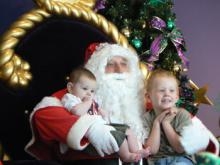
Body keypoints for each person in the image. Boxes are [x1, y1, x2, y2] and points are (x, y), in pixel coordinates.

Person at [25, 42, 219, 165]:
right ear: (97, 70)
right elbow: (44, 114)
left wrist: (193, 132)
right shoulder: (81, 93)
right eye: (110, 63)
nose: (118, 69)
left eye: (124, 63)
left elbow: (171, 112)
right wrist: (90, 128)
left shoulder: (141, 101)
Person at [61, 67, 150, 162]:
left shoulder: (90, 100)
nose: (89, 93)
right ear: (70, 88)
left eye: (92, 91)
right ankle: (126, 156)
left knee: (128, 130)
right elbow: (77, 112)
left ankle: (137, 151)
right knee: (119, 136)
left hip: (102, 124)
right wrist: (88, 102)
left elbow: (98, 110)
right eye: (85, 88)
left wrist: (102, 113)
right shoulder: (70, 98)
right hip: (91, 129)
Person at [143, 69, 195, 165]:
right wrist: (156, 123)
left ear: (176, 96)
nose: (167, 94)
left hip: (181, 159)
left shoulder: (182, 115)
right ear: (149, 97)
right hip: (157, 162)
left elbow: (180, 148)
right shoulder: (146, 118)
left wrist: (166, 123)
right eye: (161, 90)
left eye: (171, 91)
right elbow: (151, 151)